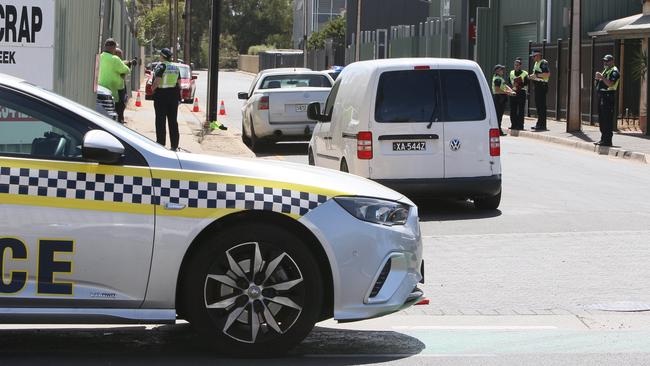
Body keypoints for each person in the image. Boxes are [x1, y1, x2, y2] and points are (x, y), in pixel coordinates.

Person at [151, 48, 181, 151]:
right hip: (173, 96)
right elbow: (179, 83)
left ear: (162, 56)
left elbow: (157, 81)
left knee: (160, 120)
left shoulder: (161, 66)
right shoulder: (176, 67)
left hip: (161, 95)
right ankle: (174, 145)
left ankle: (160, 143)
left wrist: (152, 89)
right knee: (173, 121)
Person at [594, 54, 620, 147]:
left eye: (607, 61)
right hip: (602, 95)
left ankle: (608, 141)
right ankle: (603, 139)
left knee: (607, 119)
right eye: (604, 61)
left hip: (609, 96)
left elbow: (610, 83)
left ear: (612, 61)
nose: (605, 62)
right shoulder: (606, 70)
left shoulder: (614, 71)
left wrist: (601, 77)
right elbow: (600, 83)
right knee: (602, 119)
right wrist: (597, 79)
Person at [97, 39, 130, 110]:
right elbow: (126, 70)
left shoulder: (100, 56)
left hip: (101, 89)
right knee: (117, 112)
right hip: (114, 91)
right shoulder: (115, 59)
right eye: (115, 48)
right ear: (113, 47)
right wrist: (126, 63)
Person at [113, 48, 137, 124]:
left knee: (122, 104)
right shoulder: (115, 62)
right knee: (120, 105)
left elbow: (123, 63)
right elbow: (124, 68)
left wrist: (130, 62)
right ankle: (119, 120)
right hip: (117, 87)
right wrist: (129, 63)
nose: (121, 57)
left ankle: (120, 118)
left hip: (121, 85)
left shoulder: (118, 62)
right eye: (119, 55)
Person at [529, 49, 550, 131]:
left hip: (542, 86)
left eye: (534, 56)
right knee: (538, 106)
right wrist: (532, 76)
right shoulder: (536, 63)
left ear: (538, 55)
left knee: (541, 106)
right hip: (537, 87)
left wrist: (535, 75)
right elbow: (537, 75)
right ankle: (539, 124)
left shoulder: (543, 62)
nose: (533, 58)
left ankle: (542, 125)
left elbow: (547, 74)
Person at [492, 64, 516, 136]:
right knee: (498, 116)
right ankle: (499, 131)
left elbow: (505, 85)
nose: (503, 71)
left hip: (501, 98)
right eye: (501, 69)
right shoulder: (497, 79)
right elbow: (497, 89)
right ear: (497, 71)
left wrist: (511, 90)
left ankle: (499, 130)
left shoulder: (500, 78)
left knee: (499, 115)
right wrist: (508, 92)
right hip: (499, 98)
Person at [508, 58, 529, 130]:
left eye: (518, 65)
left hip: (521, 93)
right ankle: (513, 124)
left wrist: (520, 84)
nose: (516, 66)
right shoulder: (511, 72)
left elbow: (526, 83)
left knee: (521, 110)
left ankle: (520, 125)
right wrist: (514, 85)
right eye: (515, 65)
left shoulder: (525, 73)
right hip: (513, 92)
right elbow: (509, 81)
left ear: (520, 66)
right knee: (513, 109)